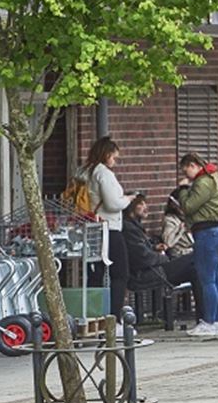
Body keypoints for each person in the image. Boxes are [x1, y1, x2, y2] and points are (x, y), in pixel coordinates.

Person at [175, 152, 218, 339]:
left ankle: (208, 322)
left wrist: (182, 190)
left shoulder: (203, 182)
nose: (186, 175)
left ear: (193, 165)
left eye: (186, 170)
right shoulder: (213, 177)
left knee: (207, 280)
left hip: (207, 234)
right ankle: (216, 322)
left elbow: (189, 206)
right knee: (215, 279)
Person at [79, 137, 132, 321]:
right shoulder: (104, 174)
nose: (114, 162)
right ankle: (114, 318)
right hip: (109, 228)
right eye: (114, 158)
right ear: (107, 154)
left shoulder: (86, 171)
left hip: (92, 228)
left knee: (95, 274)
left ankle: (94, 316)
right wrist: (128, 199)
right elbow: (112, 203)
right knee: (120, 274)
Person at [121, 195, 195, 292]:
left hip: (153, 269)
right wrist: (164, 258)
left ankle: (205, 305)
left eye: (145, 203)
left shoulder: (134, 226)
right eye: (141, 204)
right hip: (144, 275)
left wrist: (154, 247)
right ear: (131, 208)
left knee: (196, 268)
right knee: (194, 259)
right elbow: (143, 257)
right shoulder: (129, 228)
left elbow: (141, 249)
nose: (146, 207)